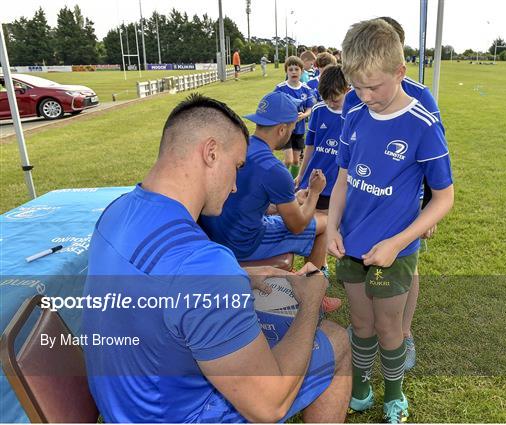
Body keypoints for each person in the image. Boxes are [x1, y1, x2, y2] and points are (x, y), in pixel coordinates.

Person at [82, 93, 352, 423]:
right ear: (211, 153)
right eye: (237, 167)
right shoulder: (203, 265)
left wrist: (240, 274)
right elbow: (269, 406)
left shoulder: (116, 211)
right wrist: (311, 301)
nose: (236, 186)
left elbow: (159, 278)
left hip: (128, 404)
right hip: (181, 414)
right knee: (337, 340)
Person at [329, 19, 454, 422]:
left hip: (394, 251)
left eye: (374, 87)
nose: (365, 96)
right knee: (360, 324)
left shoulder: (422, 122)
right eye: (356, 87)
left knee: (389, 329)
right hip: (352, 245)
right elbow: (344, 179)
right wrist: (332, 227)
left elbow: (445, 196)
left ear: (400, 72)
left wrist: (399, 242)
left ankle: (395, 394)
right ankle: (363, 386)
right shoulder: (355, 115)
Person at [200, 91, 342, 312]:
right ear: (282, 129)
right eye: (293, 127)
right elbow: (297, 226)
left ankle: (305, 284)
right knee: (324, 222)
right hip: (243, 243)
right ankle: (313, 296)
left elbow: (246, 198)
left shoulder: (238, 147)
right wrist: (314, 193)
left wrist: (292, 200)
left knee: (296, 213)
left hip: (216, 233)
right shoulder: (274, 168)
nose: (294, 132)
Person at [296, 65, 349, 212]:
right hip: (312, 179)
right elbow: (310, 146)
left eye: (335, 99)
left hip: (334, 185)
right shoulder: (318, 110)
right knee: (302, 221)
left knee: (326, 224)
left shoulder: (354, 114)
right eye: (326, 100)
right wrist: (301, 174)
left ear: (346, 89)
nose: (330, 103)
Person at [274, 56, 316, 178]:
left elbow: (310, 108)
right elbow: (274, 104)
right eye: (290, 69)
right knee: (288, 160)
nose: (293, 72)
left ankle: (292, 183)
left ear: (301, 71)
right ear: (286, 72)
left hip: (299, 129)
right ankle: (280, 179)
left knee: (296, 161)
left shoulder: (306, 89)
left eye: (296, 69)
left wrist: (304, 115)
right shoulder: (280, 88)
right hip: (285, 129)